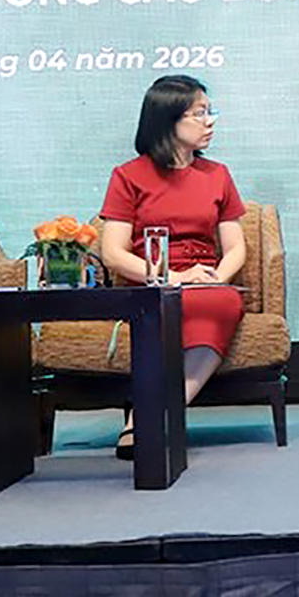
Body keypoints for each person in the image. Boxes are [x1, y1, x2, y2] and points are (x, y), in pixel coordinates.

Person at [98, 74, 248, 459]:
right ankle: (152, 418)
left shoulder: (217, 175)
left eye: (210, 111)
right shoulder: (128, 176)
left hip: (207, 282)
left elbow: (236, 248)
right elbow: (113, 252)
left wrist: (216, 278)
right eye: (199, 113)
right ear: (167, 119)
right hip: (153, 280)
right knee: (166, 304)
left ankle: (148, 418)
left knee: (220, 302)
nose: (209, 121)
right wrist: (176, 278)